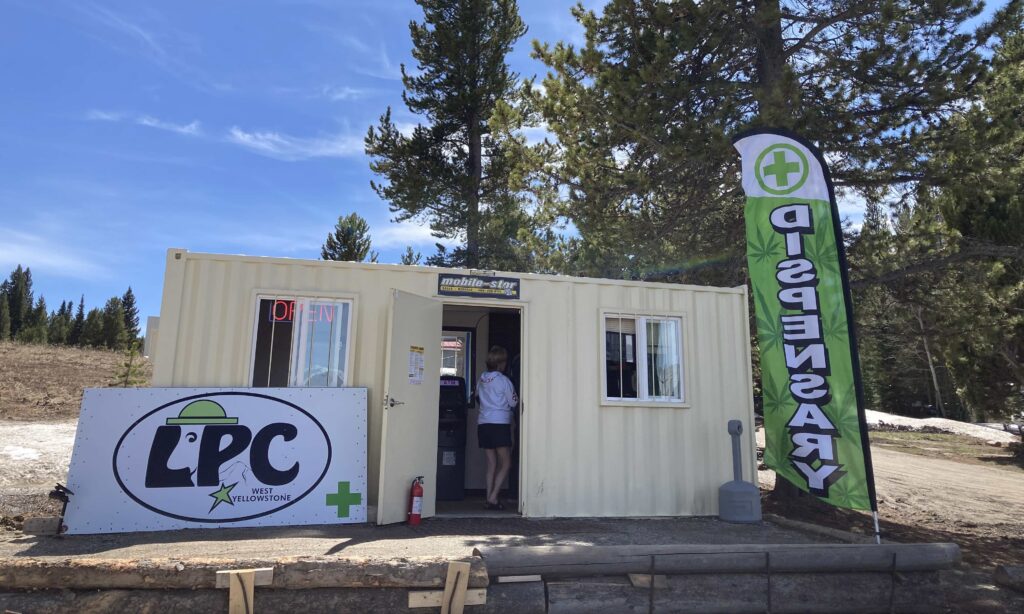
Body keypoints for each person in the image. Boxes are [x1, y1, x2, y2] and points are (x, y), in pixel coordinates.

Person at [475, 345, 518, 510]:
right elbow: (514, 401)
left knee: (491, 464)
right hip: (500, 424)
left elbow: (476, 395)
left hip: (483, 424)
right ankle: (493, 497)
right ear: (502, 363)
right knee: (506, 463)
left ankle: (488, 497)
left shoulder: (482, 378)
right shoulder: (504, 381)